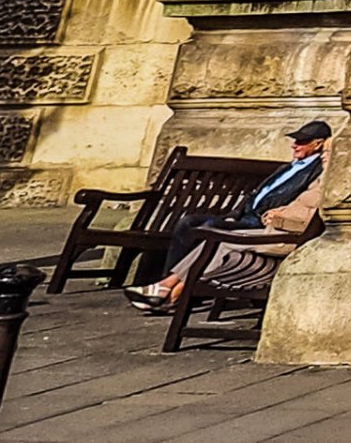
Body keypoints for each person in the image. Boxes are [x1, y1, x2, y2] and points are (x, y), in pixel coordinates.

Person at [130, 121, 334, 316]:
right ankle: (169, 287)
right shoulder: (302, 171)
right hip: (264, 223)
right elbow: (277, 199)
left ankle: (174, 293)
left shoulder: (323, 179)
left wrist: (277, 216)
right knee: (194, 225)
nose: (294, 145)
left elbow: (309, 215)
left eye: (302, 141)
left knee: (216, 237)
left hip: (277, 232)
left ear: (317, 144)